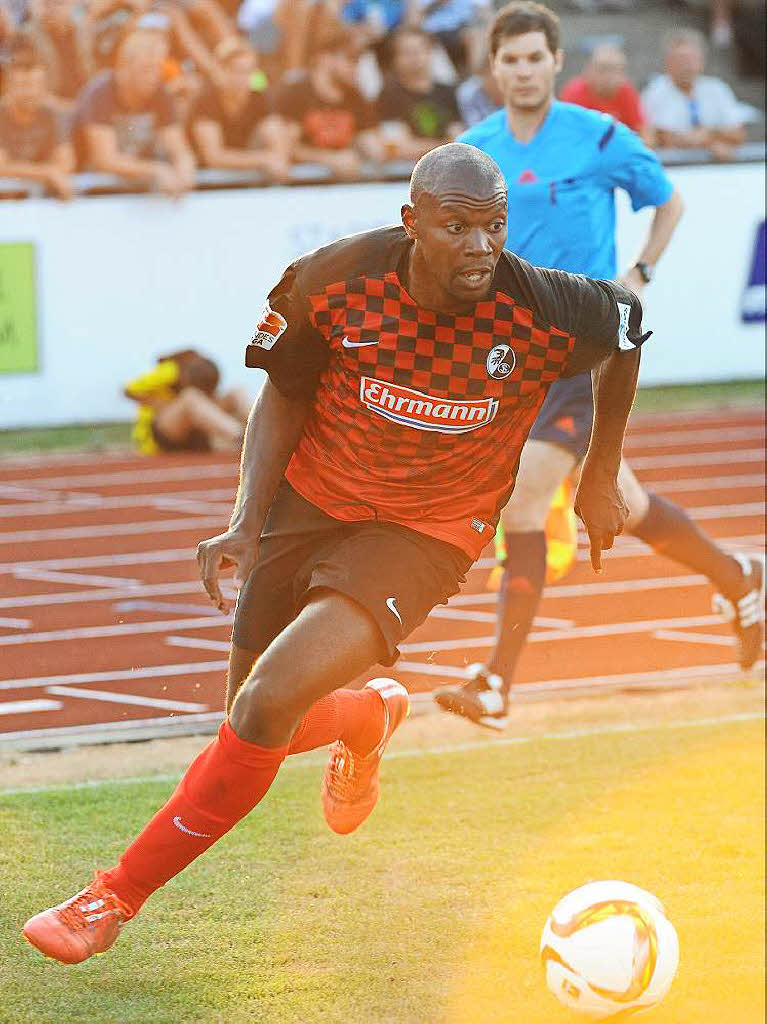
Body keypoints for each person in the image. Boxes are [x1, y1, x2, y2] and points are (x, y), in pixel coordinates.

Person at [24, 141, 651, 964]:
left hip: (426, 532)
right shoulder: (330, 281)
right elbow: (282, 395)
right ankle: (366, 713)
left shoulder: (542, 303)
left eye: (493, 227)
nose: (479, 247)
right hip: (311, 504)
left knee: (264, 704)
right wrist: (247, 521)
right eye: (457, 227)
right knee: (256, 723)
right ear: (411, 223)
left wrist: (599, 475)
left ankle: (109, 899)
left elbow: (629, 329)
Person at [434, 1, 764, 731]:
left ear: (556, 63)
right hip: (509, 356)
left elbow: (668, 202)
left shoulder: (598, 136)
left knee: (521, 505)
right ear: (492, 69)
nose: (521, 71)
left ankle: (496, 681)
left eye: (533, 58)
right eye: (509, 59)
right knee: (624, 501)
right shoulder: (474, 151)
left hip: (582, 348)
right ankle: (736, 573)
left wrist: (638, 273)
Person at [74, 26, 196, 196]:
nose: (154, 77)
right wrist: (157, 170)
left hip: (137, 188)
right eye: (146, 69)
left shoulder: (160, 93)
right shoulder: (100, 92)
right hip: (92, 191)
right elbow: (105, 159)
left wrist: (185, 171)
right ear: (124, 67)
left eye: (157, 69)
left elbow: (180, 149)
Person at [273, 27, 384, 181]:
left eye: (358, 60)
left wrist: (373, 148)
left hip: (346, 187)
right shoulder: (296, 94)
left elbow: (370, 141)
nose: (355, 67)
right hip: (300, 188)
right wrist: (330, 160)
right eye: (350, 59)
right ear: (324, 58)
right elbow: (286, 148)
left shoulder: (356, 97)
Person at [189, 36, 290, 181]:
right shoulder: (205, 100)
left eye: (249, 71)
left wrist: (274, 158)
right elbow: (214, 157)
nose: (244, 78)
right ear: (221, 70)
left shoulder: (260, 98)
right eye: (237, 70)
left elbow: (279, 145)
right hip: (205, 184)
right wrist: (264, 159)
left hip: (245, 181)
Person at [641, 28, 750, 162]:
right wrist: (712, 141)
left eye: (691, 59)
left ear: (702, 61)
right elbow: (659, 136)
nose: (686, 65)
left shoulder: (717, 89)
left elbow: (738, 133)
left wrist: (707, 135)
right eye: (680, 59)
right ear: (667, 63)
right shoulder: (655, 92)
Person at [123, 349, 251, 453]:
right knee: (190, 397)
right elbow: (128, 390)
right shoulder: (170, 371)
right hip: (165, 433)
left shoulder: (203, 373)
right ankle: (241, 437)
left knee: (237, 391)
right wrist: (156, 402)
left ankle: (257, 427)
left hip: (196, 434)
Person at [0, 37, 75, 198]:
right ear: (7, 87)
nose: (30, 93)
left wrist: (47, 172)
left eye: (36, 86)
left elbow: (66, 161)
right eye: (22, 86)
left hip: (38, 200)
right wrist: (46, 172)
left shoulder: (52, 115)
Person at [377, 26, 464, 160]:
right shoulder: (388, 95)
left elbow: (459, 138)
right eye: (406, 52)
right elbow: (399, 147)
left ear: (430, 53)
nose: (414, 57)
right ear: (394, 58)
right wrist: (444, 146)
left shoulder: (448, 92)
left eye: (419, 50)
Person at [560, 42, 650, 140]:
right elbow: (568, 135)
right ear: (589, 70)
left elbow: (643, 132)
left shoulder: (626, 91)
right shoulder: (575, 93)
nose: (609, 77)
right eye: (603, 69)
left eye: (616, 70)